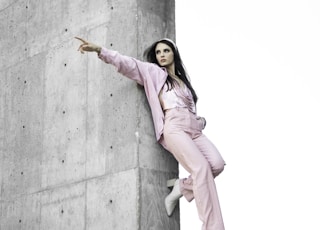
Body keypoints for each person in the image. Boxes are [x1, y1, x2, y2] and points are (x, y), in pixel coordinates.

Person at [75, 36, 226, 230]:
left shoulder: (183, 82)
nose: (161, 55)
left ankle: (182, 187)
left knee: (217, 164)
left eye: (166, 51)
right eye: (158, 52)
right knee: (201, 168)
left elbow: (189, 107)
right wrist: (100, 50)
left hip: (194, 130)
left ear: (174, 53)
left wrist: (201, 121)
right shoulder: (154, 72)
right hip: (175, 127)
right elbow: (130, 64)